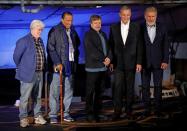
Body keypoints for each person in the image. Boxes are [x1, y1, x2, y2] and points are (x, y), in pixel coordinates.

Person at [109, 5, 143, 120]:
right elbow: (111, 45)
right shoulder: (113, 27)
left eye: (128, 15)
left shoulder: (136, 27)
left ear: (130, 15)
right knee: (117, 88)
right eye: (124, 14)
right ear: (120, 14)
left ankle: (129, 111)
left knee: (129, 88)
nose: (126, 17)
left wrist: (139, 62)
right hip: (118, 64)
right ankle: (117, 112)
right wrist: (112, 61)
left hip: (132, 63)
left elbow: (140, 45)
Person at [47, 11, 80, 123]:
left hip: (70, 65)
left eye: (71, 20)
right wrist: (57, 62)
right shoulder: (55, 30)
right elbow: (51, 48)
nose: (69, 22)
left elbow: (76, 46)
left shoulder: (72, 31)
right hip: (59, 67)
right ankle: (53, 115)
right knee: (55, 92)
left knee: (69, 91)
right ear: (62, 19)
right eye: (67, 20)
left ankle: (66, 114)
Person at [13, 20, 47, 127]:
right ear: (32, 29)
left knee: (37, 97)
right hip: (27, 73)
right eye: (38, 29)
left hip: (39, 73)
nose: (40, 31)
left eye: (41, 30)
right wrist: (23, 68)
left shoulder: (40, 40)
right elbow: (16, 57)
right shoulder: (23, 41)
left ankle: (37, 116)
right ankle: (23, 118)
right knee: (25, 97)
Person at [141, 6, 169, 117]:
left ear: (156, 16)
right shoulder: (140, 27)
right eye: (149, 16)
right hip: (144, 62)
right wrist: (138, 62)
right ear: (145, 16)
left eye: (153, 16)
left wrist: (165, 60)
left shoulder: (163, 27)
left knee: (158, 87)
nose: (151, 18)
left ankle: (158, 110)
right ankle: (146, 110)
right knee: (145, 87)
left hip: (159, 62)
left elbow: (166, 44)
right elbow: (139, 46)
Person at [84, 15, 112, 122]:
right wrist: (104, 59)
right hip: (92, 69)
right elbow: (91, 51)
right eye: (95, 23)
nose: (98, 25)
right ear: (91, 24)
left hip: (103, 68)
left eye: (99, 23)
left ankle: (98, 112)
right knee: (90, 92)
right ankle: (89, 114)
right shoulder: (88, 35)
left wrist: (109, 57)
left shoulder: (103, 34)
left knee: (100, 92)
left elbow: (109, 48)